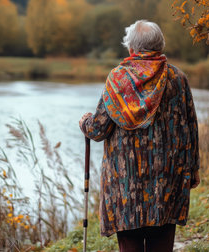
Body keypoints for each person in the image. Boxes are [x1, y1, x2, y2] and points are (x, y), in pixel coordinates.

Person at [79, 20, 200, 252]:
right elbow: (191, 127)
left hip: (126, 185)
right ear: (160, 46)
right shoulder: (177, 78)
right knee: (161, 244)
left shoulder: (117, 80)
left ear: (132, 48)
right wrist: (193, 168)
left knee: (130, 246)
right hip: (167, 180)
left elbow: (98, 130)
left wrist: (85, 122)